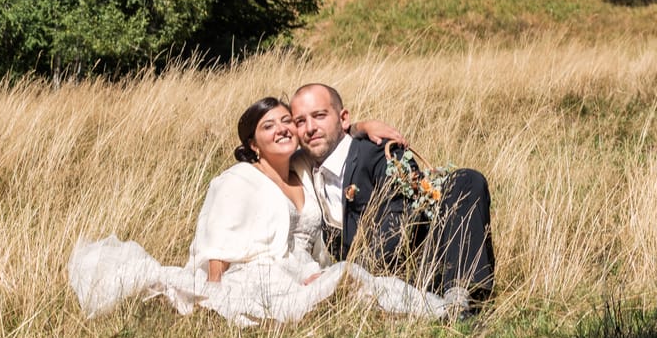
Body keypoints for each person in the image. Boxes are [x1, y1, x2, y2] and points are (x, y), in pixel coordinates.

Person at [70, 97, 455, 326]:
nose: (283, 129)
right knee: (346, 279)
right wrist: (214, 294)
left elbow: (328, 137)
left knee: (353, 281)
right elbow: (216, 244)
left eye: (287, 122)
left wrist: (363, 125)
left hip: (302, 266)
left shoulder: (301, 167)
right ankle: (436, 312)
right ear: (253, 144)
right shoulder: (238, 179)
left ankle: (437, 310)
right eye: (269, 126)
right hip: (258, 272)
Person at [289, 82, 495, 311]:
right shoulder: (300, 166)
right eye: (300, 121)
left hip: (422, 264)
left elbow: (400, 219)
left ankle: (460, 298)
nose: (310, 128)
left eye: (319, 116)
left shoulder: (378, 152)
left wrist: (342, 272)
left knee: (466, 180)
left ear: (343, 118)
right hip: (369, 284)